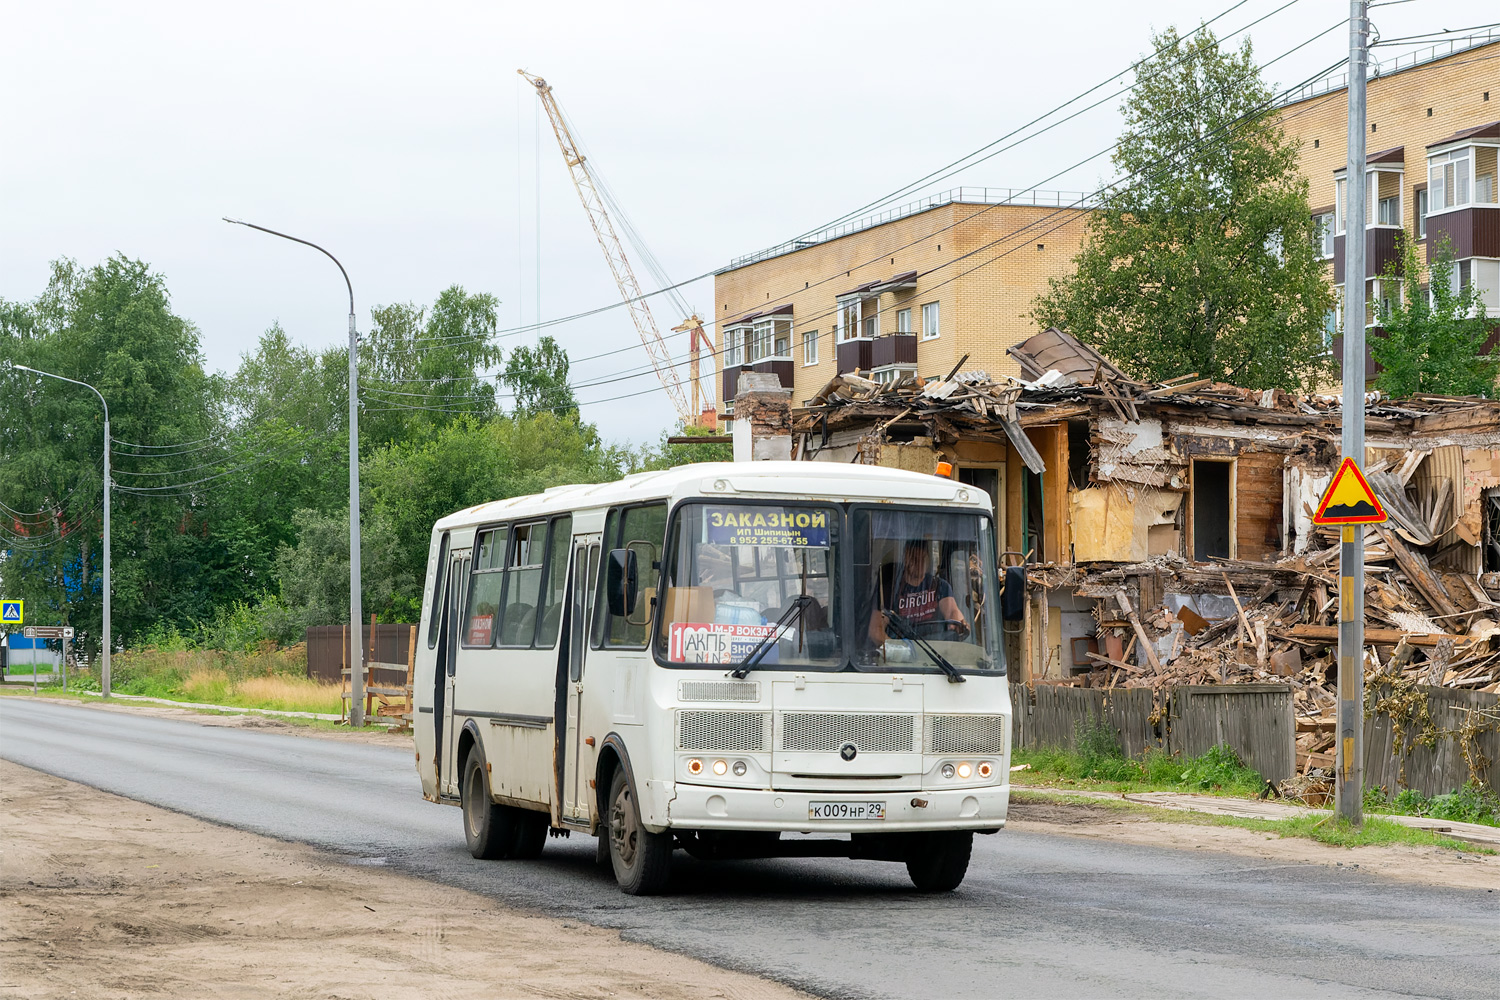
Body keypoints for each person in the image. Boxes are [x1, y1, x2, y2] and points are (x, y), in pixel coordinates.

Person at [867, 539, 969, 646]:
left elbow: (952, 611)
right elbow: (875, 631)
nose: (919, 563)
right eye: (914, 558)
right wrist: (899, 650)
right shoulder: (889, 591)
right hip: (902, 651)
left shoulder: (940, 586)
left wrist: (959, 624)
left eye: (923, 558)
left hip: (935, 651)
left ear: (928, 559)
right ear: (905, 559)